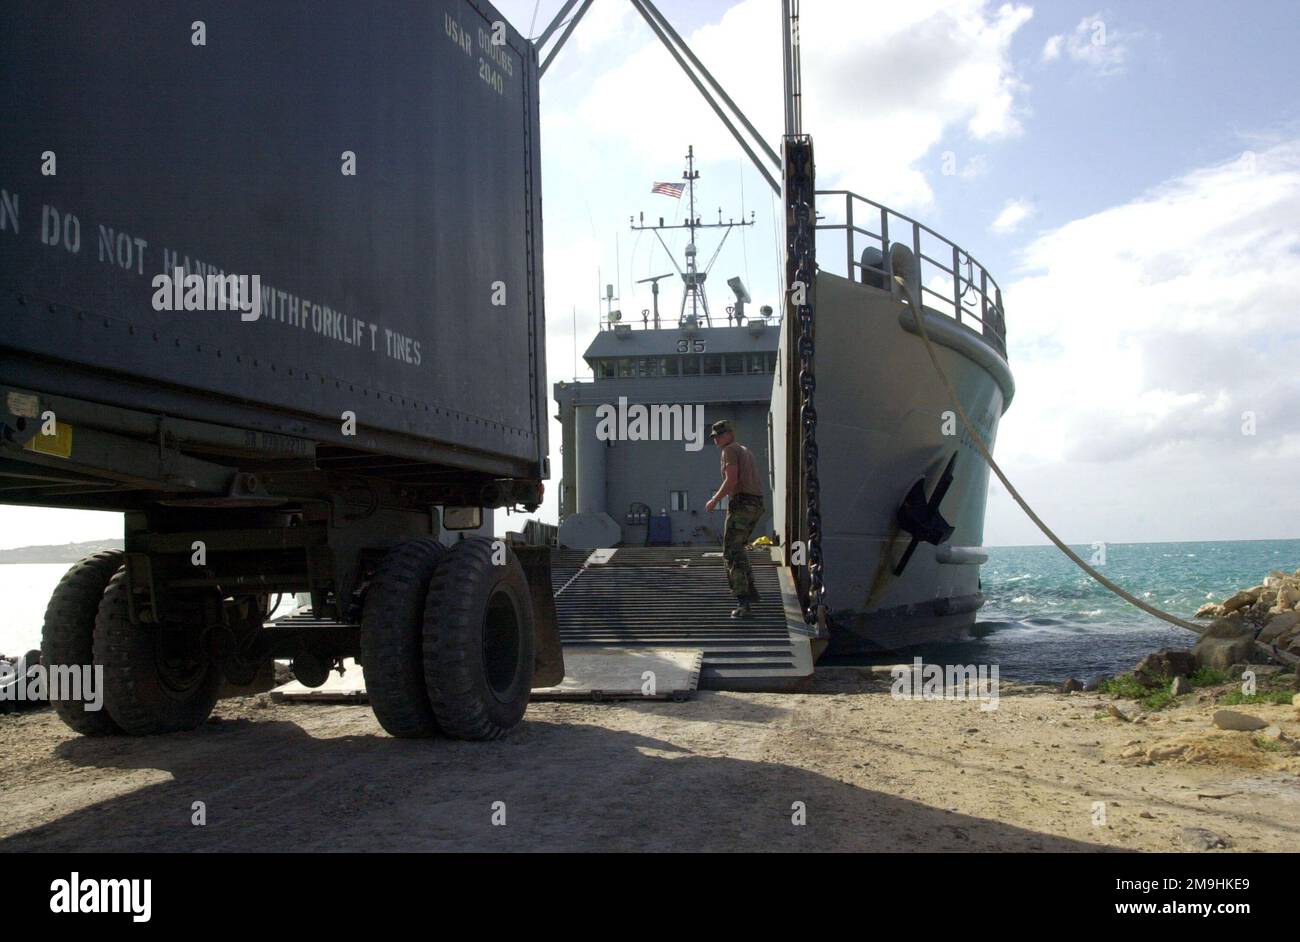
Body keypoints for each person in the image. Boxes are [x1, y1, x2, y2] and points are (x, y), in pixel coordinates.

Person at [704, 420, 765, 618]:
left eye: (720, 435)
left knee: (731, 552)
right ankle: (751, 592)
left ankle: (743, 603)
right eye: (714, 436)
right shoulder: (745, 450)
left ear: (730, 434)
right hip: (756, 504)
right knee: (738, 548)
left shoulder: (729, 450)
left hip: (741, 504)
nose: (716, 439)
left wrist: (715, 500)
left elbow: (731, 480)